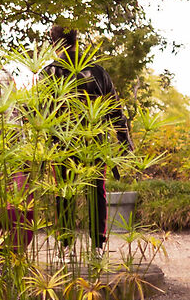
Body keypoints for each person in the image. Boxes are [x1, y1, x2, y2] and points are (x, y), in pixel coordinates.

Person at [43, 26, 128, 250]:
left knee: (65, 192)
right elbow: (115, 109)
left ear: (53, 43)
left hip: (62, 143)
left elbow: (41, 113)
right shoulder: (98, 71)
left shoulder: (49, 72)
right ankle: (98, 246)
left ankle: (65, 247)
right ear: (76, 40)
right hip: (95, 141)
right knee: (96, 192)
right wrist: (124, 142)